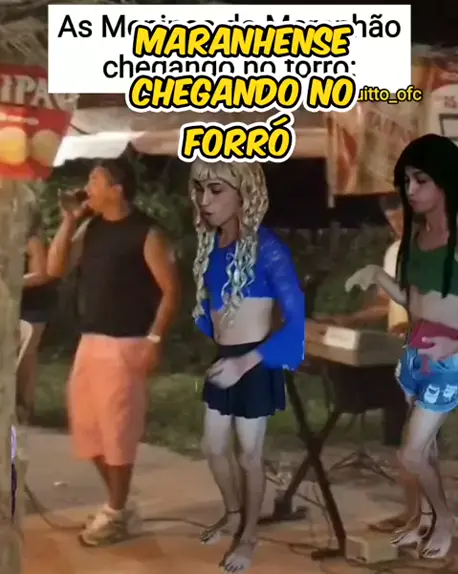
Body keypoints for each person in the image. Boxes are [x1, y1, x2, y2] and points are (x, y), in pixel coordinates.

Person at [47, 158, 180, 546]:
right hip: (90, 341)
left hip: (127, 343)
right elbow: (55, 268)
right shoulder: (91, 228)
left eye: (95, 180)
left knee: (118, 430)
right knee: (88, 427)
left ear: (117, 189)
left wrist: (155, 340)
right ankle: (118, 504)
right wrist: (69, 220)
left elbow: (171, 291)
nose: (87, 187)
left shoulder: (146, 233)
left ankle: (118, 512)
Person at [346, 134, 458, 559]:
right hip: (414, 353)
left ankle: (441, 521)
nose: (410, 192)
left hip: (447, 356)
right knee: (418, 448)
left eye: (420, 181)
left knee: (413, 450)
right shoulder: (411, 244)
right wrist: (377, 277)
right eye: (406, 182)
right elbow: (409, 300)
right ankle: (422, 518)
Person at [190, 160, 305, 572]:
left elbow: (297, 322)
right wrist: (208, 322)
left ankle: (250, 535)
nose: (205, 200)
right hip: (226, 357)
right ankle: (234, 513)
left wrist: (249, 360)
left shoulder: (268, 248)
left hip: (255, 359)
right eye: (201, 190)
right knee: (213, 447)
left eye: (216, 190)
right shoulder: (212, 248)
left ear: (245, 194)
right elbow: (209, 314)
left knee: (250, 454)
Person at [18, 207, 56, 423]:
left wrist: (12, 282)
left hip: (33, 306)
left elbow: (41, 274)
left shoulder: (32, 240)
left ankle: (26, 407)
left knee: (27, 357)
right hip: (14, 304)